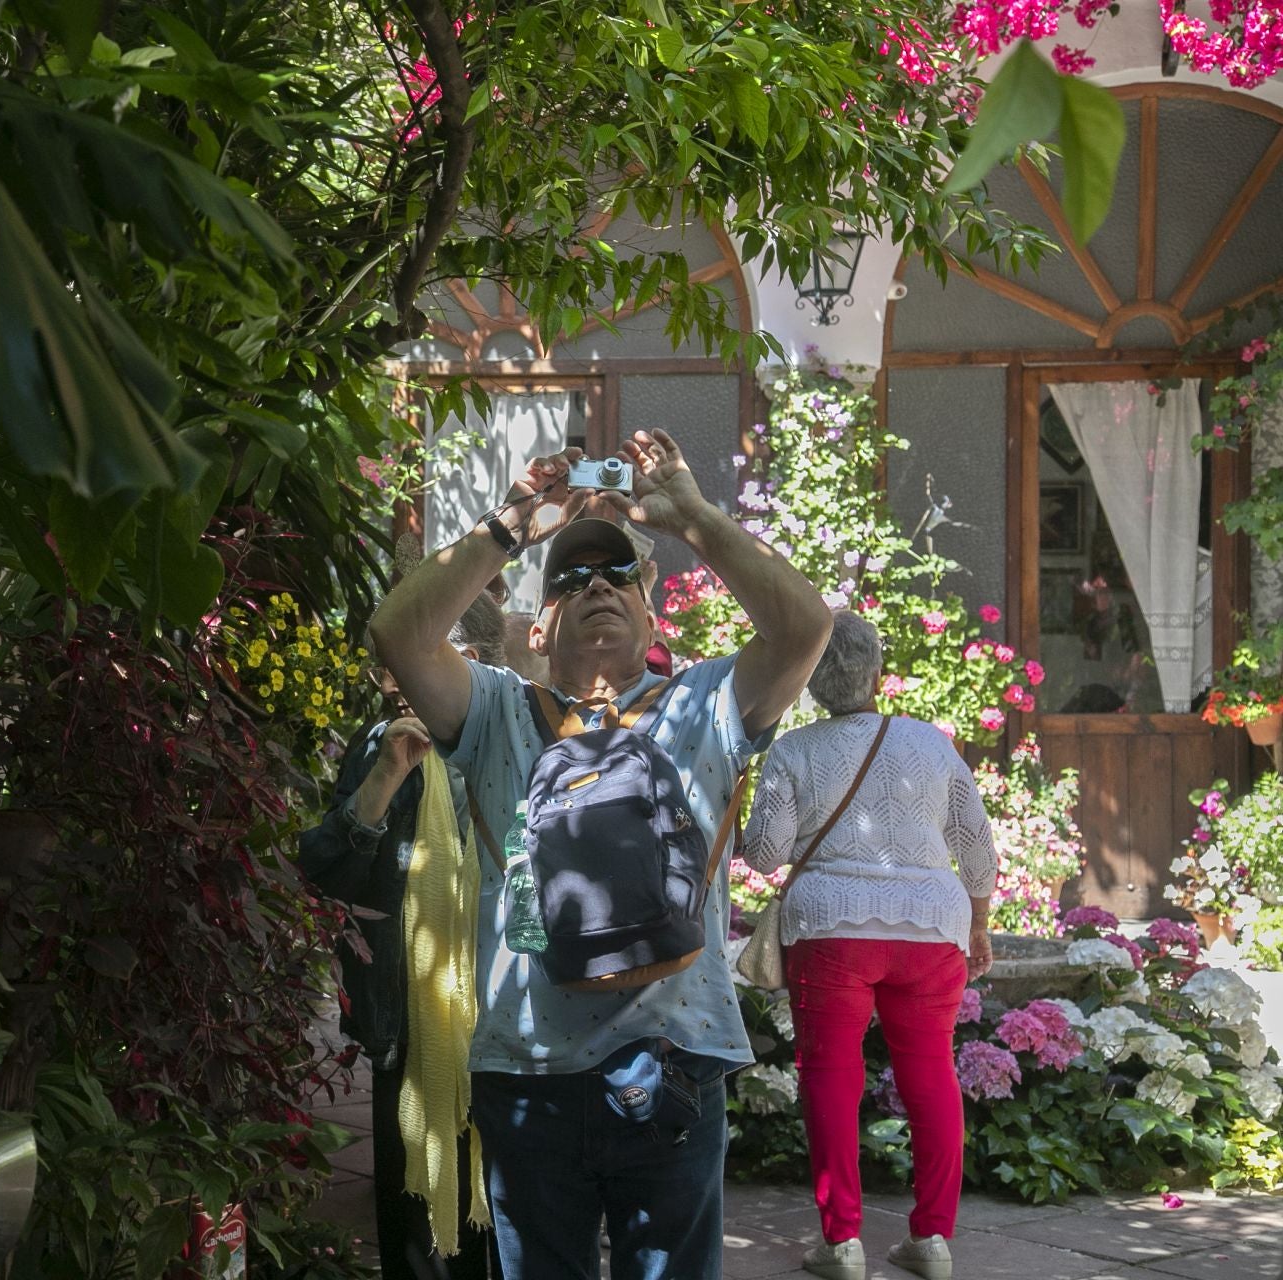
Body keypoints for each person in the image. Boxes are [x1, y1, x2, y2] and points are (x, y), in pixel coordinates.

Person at [369, 431, 830, 1280]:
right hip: (528, 1069)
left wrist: (695, 519)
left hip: (675, 1062)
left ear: (653, 617)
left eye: (618, 575)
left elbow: (806, 626)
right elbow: (399, 630)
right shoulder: (498, 710)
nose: (597, 588)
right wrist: (510, 523)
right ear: (538, 628)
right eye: (572, 580)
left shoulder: (704, 703)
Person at [739, 609, 999, 1280]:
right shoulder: (931, 743)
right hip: (931, 929)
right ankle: (933, 1240)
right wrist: (979, 918)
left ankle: (842, 1243)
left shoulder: (793, 749)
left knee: (831, 1077)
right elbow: (975, 838)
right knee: (930, 1075)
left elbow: (765, 856)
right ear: (877, 671)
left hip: (830, 929)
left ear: (808, 679)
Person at [300, 595, 507, 1280]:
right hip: (408, 1009)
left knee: (501, 1195)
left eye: (403, 666)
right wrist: (386, 778)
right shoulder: (383, 744)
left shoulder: (512, 740)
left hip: (502, 1004)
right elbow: (327, 867)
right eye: (384, 670)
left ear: (467, 660)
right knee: (411, 1195)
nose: (389, 683)